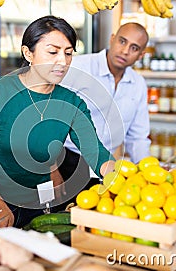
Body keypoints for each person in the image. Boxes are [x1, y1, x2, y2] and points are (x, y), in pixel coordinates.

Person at [0, 15, 116, 229]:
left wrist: (121, 177)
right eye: (52, 52)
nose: (62, 61)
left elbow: (96, 152)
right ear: (28, 53)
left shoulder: (72, 103)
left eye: (68, 53)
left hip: (39, 206)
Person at [52, 22, 151, 191]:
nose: (125, 51)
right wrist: (52, 170)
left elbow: (138, 137)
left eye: (134, 48)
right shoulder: (78, 68)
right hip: (67, 162)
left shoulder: (138, 84)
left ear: (141, 55)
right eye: (122, 41)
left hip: (107, 167)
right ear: (112, 39)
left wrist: (147, 174)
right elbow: (51, 120)